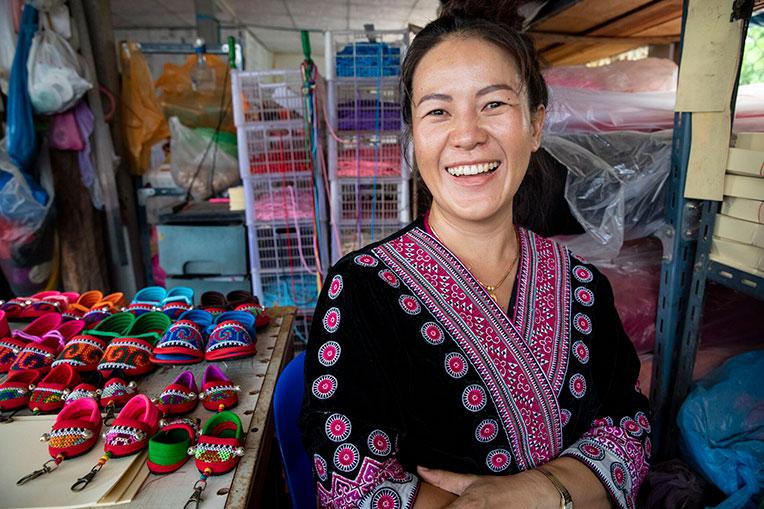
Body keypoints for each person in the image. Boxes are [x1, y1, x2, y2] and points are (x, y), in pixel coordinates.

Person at [300, 2, 651, 508]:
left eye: (493, 104)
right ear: (414, 136)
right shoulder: (359, 291)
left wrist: (537, 490)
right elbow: (349, 472)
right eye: (438, 111)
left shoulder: (584, 287)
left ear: (535, 126)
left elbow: (628, 427)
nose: (467, 135)